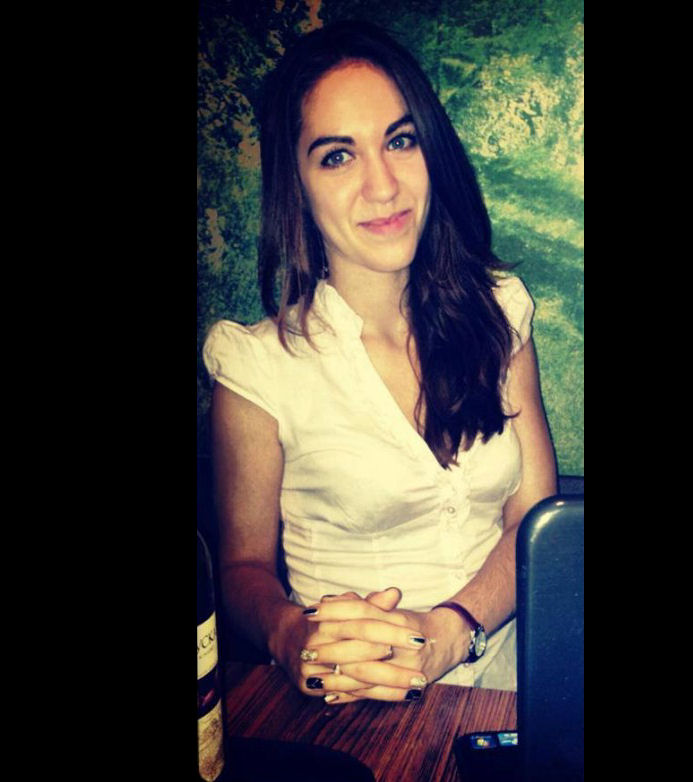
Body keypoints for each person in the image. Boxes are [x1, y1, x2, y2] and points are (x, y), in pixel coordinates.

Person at [203, 20, 557, 705]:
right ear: (297, 185)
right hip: (354, 704)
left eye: (400, 140)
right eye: (338, 156)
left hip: (511, 685)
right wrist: (289, 633)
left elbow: (533, 518)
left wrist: (452, 630)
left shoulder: (500, 311)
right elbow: (242, 567)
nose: (384, 186)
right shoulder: (256, 366)